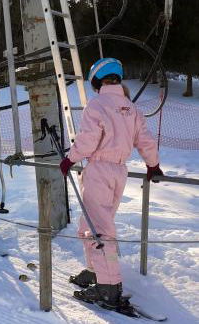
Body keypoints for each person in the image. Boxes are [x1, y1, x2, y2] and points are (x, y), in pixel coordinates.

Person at [60, 58, 164, 309]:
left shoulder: (97, 106)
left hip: (99, 170)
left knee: (99, 230)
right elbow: (146, 139)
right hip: (119, 172)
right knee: (91, 223)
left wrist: (69, 159)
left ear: (96, 80)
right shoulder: (131, 108)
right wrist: (153, 164)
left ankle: (108, 286)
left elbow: (87, 140)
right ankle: (96, 271)